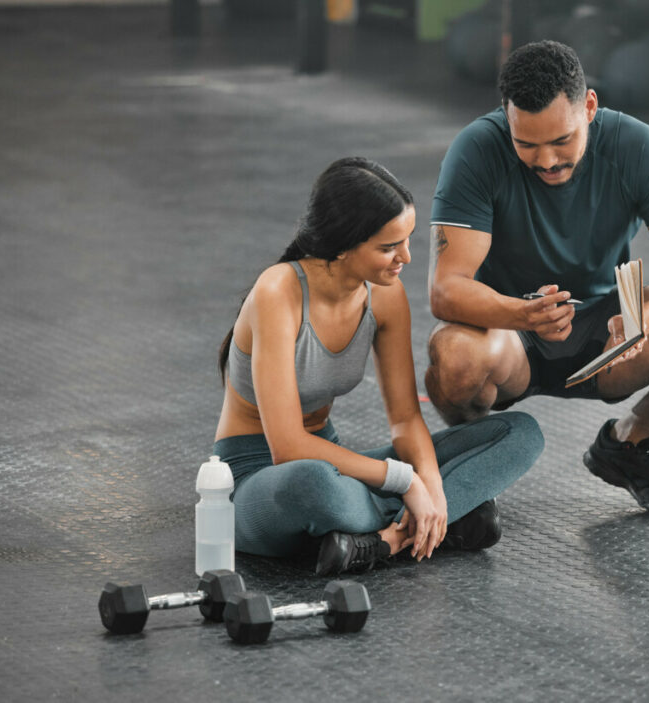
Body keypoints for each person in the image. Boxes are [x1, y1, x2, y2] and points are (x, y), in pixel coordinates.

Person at [426, 41, 649, 517]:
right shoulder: (476, 150)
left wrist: (647, 316)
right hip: (510, 331)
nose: (546, 161)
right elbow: (446, 289)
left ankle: (628, 447)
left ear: (589, 106)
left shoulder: (636, 147)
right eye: (527, 144)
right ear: (507, 117)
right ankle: (469, 475)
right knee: (455, 359)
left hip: (608, 330)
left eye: (561, 141)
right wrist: (523, 313)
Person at [213, 157, 543, 576]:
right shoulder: (277, 292)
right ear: (342, 245)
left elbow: (406, 419)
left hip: (337, 464)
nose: (405, 256)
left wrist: (433, 489)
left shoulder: (385, 295)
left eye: (406, 240)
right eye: (388, 247)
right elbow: (289, 448)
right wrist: (406, 483)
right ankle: (434, 526)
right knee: (314, 486)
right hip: (259, 479)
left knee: (519, 433)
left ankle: (382, 540)